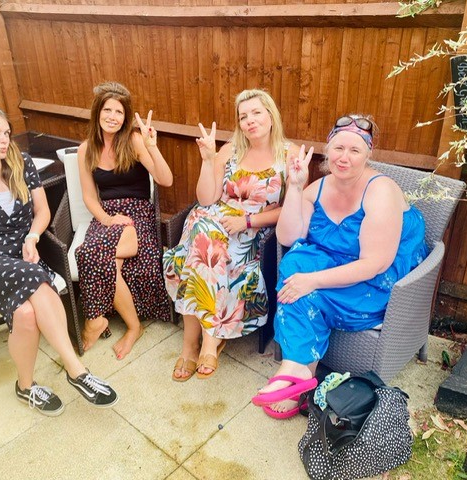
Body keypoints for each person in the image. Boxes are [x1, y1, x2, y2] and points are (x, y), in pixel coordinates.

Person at [0, 103, 118, 416]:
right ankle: (77, 371)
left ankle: (25, 387)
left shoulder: (21, 165)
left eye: (6, 132)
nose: (4, 140)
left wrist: (32, 237)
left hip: (21, 257)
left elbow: (42, 212)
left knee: (27, 314)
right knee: (35, 277)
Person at [251, 115, 429, 419]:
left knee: (303, 290)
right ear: (328, 149)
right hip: (340, 261)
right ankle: (298, 372)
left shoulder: (380, 190)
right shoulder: (318, 187)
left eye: (355, 150)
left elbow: (374, 264)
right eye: (338, 148)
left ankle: (296, 371)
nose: (344, 157)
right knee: (294, 264)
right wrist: (295, 187)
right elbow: (287, 236)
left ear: (368, 154)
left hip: (377, 280)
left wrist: (313, 281)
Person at [164, 89, 299, 381]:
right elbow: (206, 199)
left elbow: (293, 209)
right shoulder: (231, 150)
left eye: (256, 113)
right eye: (243, 116)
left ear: (271, 115)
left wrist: (248, 221)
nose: (250, 121)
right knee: (203, 236)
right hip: (212, 221)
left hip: (252, 231)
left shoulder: (290, 154)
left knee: (202, 249)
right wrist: (207, 160)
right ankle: (204, 342)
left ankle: (195, 343)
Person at [76, 82, 173, 359]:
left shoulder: (134, 141)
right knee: (95, 254)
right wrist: (107, 218)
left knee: (92, 255)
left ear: (125, 117)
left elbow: (165, 180)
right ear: (97, 113)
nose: (112, 117)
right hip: (107, 216)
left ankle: (96, 320)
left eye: (118, 112)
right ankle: (132, 326)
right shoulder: (86, 150)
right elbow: (89, 196)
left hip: (137, 214)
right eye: (107, 110)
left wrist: (153, 147)